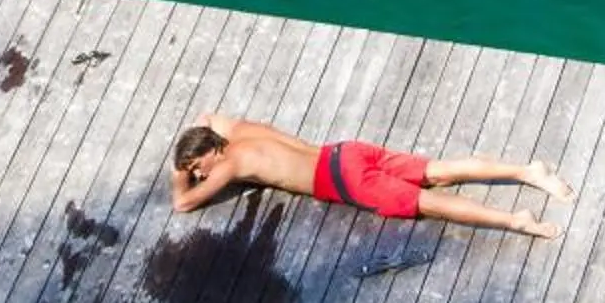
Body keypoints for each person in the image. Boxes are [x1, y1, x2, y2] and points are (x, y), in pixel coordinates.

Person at [167, 112, 572, 238]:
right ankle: (527, 171)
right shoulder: (235, 130)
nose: (200, 176)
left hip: (345, 181)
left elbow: (182, 204)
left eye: (197, 168)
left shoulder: (231, 162)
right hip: (345, 151)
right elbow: (206, 116)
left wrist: (177, 173)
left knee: (431, 203)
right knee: (440, 171)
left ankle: (514, 221)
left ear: (208, 152)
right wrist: (196, 140)